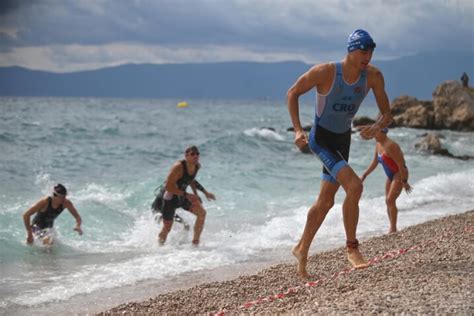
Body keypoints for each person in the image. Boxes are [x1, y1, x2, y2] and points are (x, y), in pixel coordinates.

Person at [287, 29, 393, 278]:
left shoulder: (374, 76)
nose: (368, 56)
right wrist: (298, 130)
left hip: (343, 139)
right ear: (351, 50)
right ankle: (352, 248)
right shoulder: (325, 72)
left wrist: (376, 127)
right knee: (355, 186)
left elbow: (387, 114)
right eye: (363, 51)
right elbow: (293, 93)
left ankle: (302, 248)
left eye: (371, 51)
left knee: (326, 201)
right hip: (321, 139)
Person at [151, 145, 215, 245]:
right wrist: (187, 194)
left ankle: (195, 244)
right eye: (192, 154)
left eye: (197, 154)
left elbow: (191, 180)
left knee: (202, 213)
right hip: (169, 199)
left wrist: (201, 193)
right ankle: (159, 247)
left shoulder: (196, 166)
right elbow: (168, 186)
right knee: (167, 227)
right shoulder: (178, 167)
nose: (195, 156)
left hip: (182, 197)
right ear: (186, 155)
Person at [360, 128, 412, 233]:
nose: (374, 135)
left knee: (390, 200)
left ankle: (393, 229)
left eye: (376, 132)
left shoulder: (391, 146)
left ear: (383, 132)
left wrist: (405, 182)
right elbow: (374, 162)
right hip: (390, 175)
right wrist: (364, 175)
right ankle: (392, 226)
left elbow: (401, 165)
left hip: (399, 174)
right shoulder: (378, 144)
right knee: (387, 201)